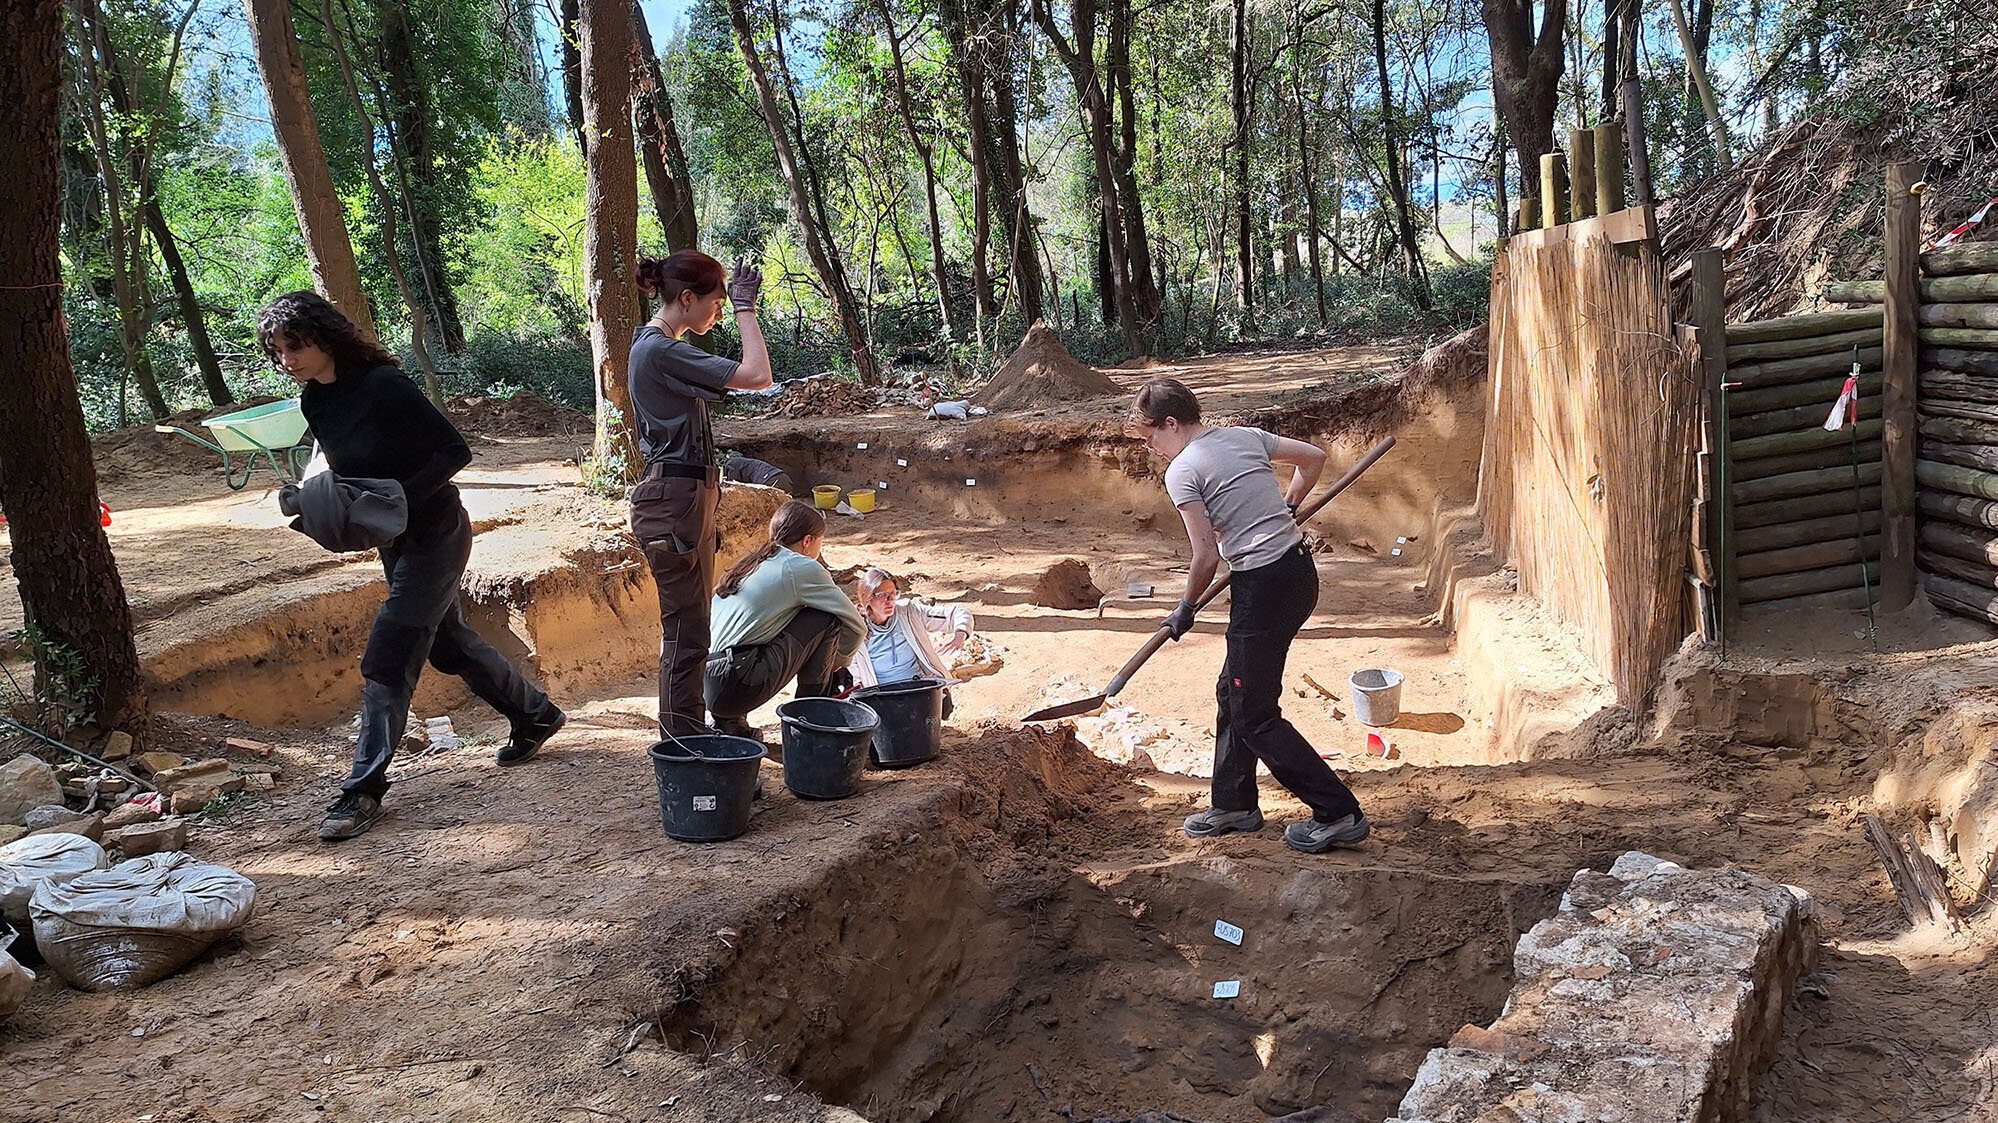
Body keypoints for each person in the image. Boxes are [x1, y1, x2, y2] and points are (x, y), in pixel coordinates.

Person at [256, 291, 564, 842]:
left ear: (325, 336)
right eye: (277, 351)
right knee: (446, 644)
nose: (288, 359)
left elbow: (453, 452)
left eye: (295, 345)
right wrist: (318, 498)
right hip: (392, 540)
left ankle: (362, 790)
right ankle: (535, 715)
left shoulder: (383, 386)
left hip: (437, 534)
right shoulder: (315, 403)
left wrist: (399, 496)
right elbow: (340, 466)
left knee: (390, 649)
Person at [1124, 377, 1368, 853]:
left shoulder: (1182, 471)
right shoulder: (1243, 435)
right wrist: (1288, 507)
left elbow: (1205, 556)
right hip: (1297, 573)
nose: (1151, 447)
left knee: (1254, 714)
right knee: (1232, 689)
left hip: (1264, 588)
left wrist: (1185, 607)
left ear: (1171, 423)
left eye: (1151, 437)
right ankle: (1234, 803)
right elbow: (1313, 458)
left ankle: (1338, 812)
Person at [628, 250, 773, 736]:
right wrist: (746, 311)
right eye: (716, 301)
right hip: (675, 498)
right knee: (686, 635)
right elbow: (757, 376)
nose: (720, 309)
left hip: (684, 495)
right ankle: (684, 743)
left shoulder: (658, 345)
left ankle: (689, 734)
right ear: (686, 298)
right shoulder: (660, 349)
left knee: (693, 630)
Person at [704, 501, 866, 743]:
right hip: (737, 682)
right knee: (826, 617)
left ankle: (729, 723)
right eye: (820, 543)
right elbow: (855, 624)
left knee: (764, 628)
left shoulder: (753, 563)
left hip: (708, 685)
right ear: (807, 541)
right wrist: (838, 661)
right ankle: (810, 719)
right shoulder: (800, 566)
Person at [848, 568, 972, 717]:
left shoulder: (909, 613)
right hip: (882, 697)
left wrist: (960, 634)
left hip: (918, 689)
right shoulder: (855, 628)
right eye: (883, 595)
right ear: (868, 598)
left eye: (894, 594)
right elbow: (856, 676)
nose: (890, 600)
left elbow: (957, 613)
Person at [721, 454, 794, 496]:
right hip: (785, 478)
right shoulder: (743, 463)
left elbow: (735, 487)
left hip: (770, 480)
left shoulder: (731, 465)